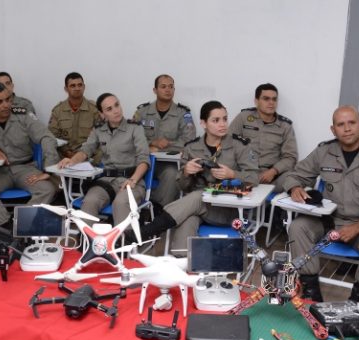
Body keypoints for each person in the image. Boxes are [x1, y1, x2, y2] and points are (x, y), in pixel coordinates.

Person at [283, 106, 359, 303]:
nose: (347, 129)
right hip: (329, 220)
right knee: (297, 227)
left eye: (352, 123)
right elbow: (295, 175)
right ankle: (310, 290)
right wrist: (294, 187)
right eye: (340, 124)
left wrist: (358, 226)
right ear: (333, 130)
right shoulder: (324, 151)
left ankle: (358, 299)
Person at [135, 100, 258, 255]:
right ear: (203, 123)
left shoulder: (239, 145)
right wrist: (186, 172)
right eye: (216, 120)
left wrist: (232, 174)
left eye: (225, 119)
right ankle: (182, 263)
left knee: (199, 196)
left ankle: (145, 232)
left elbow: (254, 177)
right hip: (196, 209)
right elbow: (181, 187)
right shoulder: (192, 147)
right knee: (184, 234)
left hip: (227, 210)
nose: (222, 124)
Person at [0, 82, 59, 227]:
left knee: (47, 189)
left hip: (25, 168)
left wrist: (49, 169)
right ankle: (6, 226)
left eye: (8, 100)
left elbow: (47, 137)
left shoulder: (24, 116)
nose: (6, 105)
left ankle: (22, 225)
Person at [57, 93, 149, 226]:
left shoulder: (135, 128)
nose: (116, 111)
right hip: (106, 181)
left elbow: (144, 159)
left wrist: (133, 180)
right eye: (109, 109)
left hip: (132, 179)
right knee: (90, 201)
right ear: (102, 114)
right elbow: (86, 150)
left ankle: (125, 238)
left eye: (117, 105)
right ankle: (89, 238)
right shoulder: (99, 130)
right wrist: (72, 161)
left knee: (120, 203)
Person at [133, 74, 196, 206]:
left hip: (167, 164)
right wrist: (151, 143)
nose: (168, 90)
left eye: (171, 87)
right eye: (163, 87)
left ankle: (158, 208)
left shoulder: (183, 113)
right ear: (155, 90)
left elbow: (189, 140)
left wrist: (163, 147)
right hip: (143, 160)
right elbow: (131, 137)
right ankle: (136, 206)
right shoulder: (142, 112)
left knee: (172, 174)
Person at [229, 83, 297, 192]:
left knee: (295, 177)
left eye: (274, 99)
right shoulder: (244, 117)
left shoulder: (285, 126)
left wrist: (273, 171)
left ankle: (272, 202)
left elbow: (290, 157)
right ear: (256, 101)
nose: (271, 103)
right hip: (243, 174)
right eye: (266, 99)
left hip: (271, 178)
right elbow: (227, 142)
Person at [48, 72, 102, 159]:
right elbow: (53, 136)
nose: (77, 88)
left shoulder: (94, 109)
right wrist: (66, 152)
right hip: (64, 156)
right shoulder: (58, 111)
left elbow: (101, 136)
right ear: (66, 89)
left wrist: (82, 154)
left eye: (80, 85)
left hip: (88, 155)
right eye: (73, 86)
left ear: (84, 87)